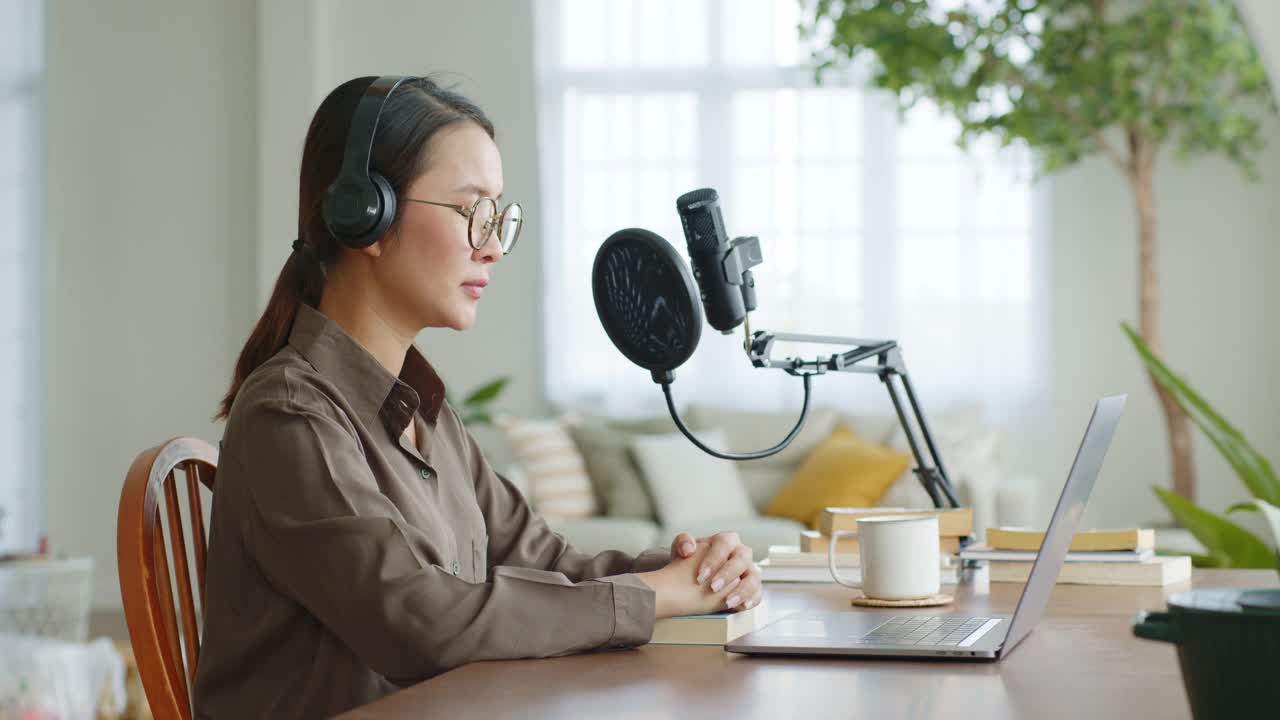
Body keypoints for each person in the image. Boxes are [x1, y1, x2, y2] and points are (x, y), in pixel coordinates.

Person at [190, 75, 762, 719]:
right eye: (471, 213)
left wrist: (688, 573)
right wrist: (654, 596)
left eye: (498, 218)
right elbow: (420, 620)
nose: (491, 247)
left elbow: (546, 561)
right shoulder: (289, 415)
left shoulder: (427, 414)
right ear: (364, 214)